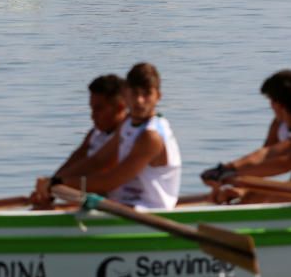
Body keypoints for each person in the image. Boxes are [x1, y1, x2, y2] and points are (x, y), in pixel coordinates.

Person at [37, 63, 182, 210]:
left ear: (158, 96)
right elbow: (97, 161)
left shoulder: (151, 136)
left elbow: (111, 180)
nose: (139, 100)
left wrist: (58, 183)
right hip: (122, 206)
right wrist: (52, 181)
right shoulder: (127, 124)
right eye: (134, 93)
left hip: (147, 210)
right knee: (43, 208)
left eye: (146, 94)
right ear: (126, 94)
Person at [202, 70, 291, 204]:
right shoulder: (278, 124)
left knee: (252, 198)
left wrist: (234, 175)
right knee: (244, 195)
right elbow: (264, 157)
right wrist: (237, 185)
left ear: (277, 104)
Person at [30, 74, 128, 208]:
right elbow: (78, 157)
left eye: (98, 109)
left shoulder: (128, 136)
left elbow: (97, 166)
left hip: (120, 206)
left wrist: (54, 185)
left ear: (120, 107)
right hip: (98, 202)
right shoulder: (96, 132)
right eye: (92, 108)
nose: (92, 116)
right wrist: (49, 187)